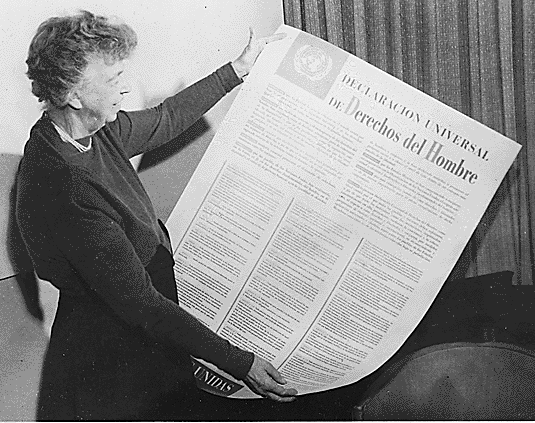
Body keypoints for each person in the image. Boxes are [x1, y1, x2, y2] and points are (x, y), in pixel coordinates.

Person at [15, 10, 297, 421]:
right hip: (117, 345)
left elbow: (165, 120)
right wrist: (241, 363)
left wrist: (237, 70)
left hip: (143, 317)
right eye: (113, 80)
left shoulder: (90, 130)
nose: (126, 88)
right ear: (73, 94)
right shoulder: (66, 186)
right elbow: (142, 305)